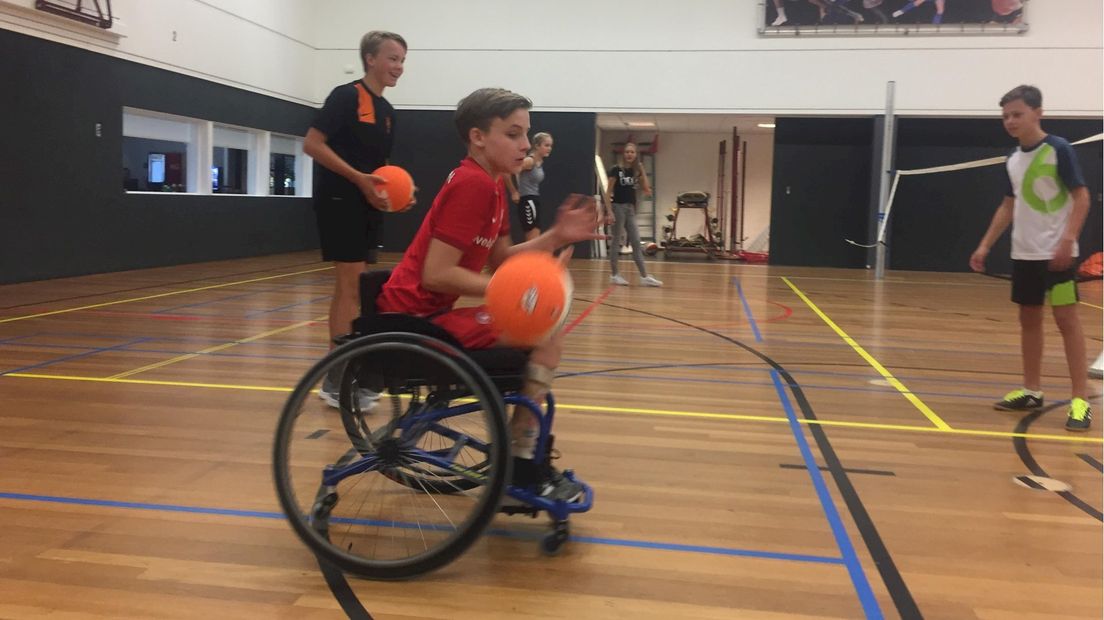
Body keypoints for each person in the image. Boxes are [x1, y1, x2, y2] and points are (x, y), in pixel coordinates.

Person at [376, 87, 605, 500]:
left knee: (544, 327)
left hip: (425, 315)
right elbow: (436, 274)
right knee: (545, 333)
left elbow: (500, 259)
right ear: (479, 137)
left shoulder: (493, 186)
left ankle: (521, 456)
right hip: (411, 321)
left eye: (526, 135)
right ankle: (519, 464)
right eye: (513, 134)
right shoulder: (472, 185)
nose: (525, 145)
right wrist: (519, 289)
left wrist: (555, 236)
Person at [969, 85, 1093, 432]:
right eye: (1006, 116)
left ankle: (1080, 400)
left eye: (1017, 114)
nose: (1010, 121)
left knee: (1067, 323)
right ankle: (1032, 390)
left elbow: (1081, 198)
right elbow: (1009, 205)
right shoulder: (1012, 159)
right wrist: (985, 245)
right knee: (1029, 321)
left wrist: (1067, 240)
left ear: (1038, 113)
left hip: (1058, 258)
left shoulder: (1059, 150)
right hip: (1024, 254)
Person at [304, 31, 409, 410]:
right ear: (369, 59)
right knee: (350, 286)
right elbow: (312, 144)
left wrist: (392, 195)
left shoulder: (388, 113)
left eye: (402, 60)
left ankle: (342, 371)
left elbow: (379, 170)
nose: (398, 67)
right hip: (339, 201)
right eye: (392, 58)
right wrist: (359, 181)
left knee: (356, 286)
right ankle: (339, 378)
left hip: (365, 203)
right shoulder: (346, 96)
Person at [605, 142, 662, 287]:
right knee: (617, 241)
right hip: (618, 207)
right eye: (627, 152)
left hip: (630, 209)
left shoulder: (635, 171)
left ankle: (644, 276)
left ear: (636, 155)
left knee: (636, 241)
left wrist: (642, 170)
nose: (629, 154)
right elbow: (608, 192)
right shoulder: (616, 170)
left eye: (632, 152)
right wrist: (609, 211)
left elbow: (646, 189)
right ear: (623, 154)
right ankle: (614, 275)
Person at [505, 132, 552, 242]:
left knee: (535, 236)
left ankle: (531, 258)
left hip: (534, 199)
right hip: (528, 200)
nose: (549, 148)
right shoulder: (529, 161)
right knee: (532, 238)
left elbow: (517, 173)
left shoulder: (538, 162)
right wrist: (514, 192)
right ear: (537, 146)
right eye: (546, 145)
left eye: (550, 146)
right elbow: (506, 172)